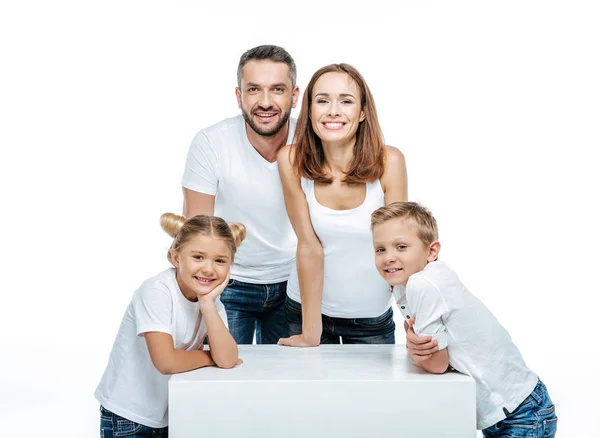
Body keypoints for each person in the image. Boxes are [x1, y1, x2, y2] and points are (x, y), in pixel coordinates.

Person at [370, 201, 558, 436]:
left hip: (521, 413)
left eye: (400, 247)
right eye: (380, 249)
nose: (389, 257)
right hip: (509, 409)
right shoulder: (405, 283)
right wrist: (419, 349)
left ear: (431, 251)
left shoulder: (424, 283)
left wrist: (415, 350)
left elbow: (436, 364)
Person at [277, 63, 408, 346]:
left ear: (362, 112)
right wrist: (311, 332)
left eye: (346, 101)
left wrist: (416, 320)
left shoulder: (390, 162)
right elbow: (309, 246)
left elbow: (401, 247)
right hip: (304, 313)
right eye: (322, 101)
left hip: (371, 318)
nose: (333, 111)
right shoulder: (290, 160)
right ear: (309, 110)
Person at [181, 44, 299, 344]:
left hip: (296, 283)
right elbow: (196, 230)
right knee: (225, 382)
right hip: (229, 284)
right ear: (239, 96)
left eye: (277, 89)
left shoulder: (312, 142)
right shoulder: (211, 142)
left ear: (294, 96)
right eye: (254, 90)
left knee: (291, 382)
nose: (265, 101)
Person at [95, 213, 245, 437]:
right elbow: (166, 362)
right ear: (175, 258)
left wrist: (206, 304)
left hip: (170, 413)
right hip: (129, 416)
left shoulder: (212, 301)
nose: (208, 269)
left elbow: (228, 359)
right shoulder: (156, 292)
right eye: (198, 257)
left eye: (220, 260)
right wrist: (208, 356)